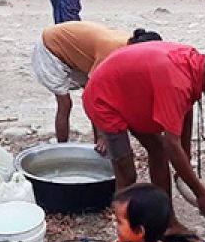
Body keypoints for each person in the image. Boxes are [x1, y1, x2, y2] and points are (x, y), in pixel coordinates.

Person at [82, 41, 205, 242]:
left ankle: (167, 224)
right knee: (127, 172)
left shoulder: (194, 64)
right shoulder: (177, 82)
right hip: (104, 98)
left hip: (132, 95)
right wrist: (201, 193)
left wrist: (187, 155)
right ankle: (126, 233)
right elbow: (172, 144)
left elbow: (186, 107)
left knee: (158, 152)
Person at [32, 22, 161, 148]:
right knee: (65, 103)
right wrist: (104, 136)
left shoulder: (130, 46)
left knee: (99, 97)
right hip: (50, 47)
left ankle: (97, 143)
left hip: (78, 52)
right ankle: (61, 148)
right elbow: (95, 94)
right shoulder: (112, 51)